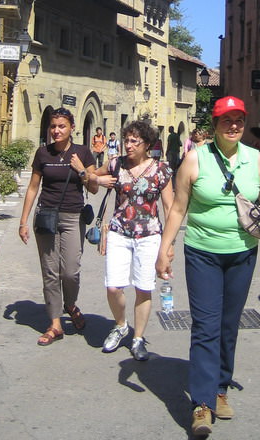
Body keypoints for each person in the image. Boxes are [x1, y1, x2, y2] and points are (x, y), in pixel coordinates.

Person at [156, 95, 260, 437]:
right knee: (206, 325)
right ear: (214, 124)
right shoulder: (194, 159)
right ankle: (201, 404)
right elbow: (177, 209)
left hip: (243, 253)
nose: (233, 125)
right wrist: (165, 247)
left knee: (229, 323)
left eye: (238, 120)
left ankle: (220, 388)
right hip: (202, 252)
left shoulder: (256, 159)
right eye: (226, 120)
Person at [19, 107, 98, 346]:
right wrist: (23, 221)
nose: (56, 131)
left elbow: (93, 187)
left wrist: (81, 170)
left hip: (73, 217)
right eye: (53, 126)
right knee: (50, 272)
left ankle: (70, 303)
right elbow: (33, 187)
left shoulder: (83, 152)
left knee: (70, 270)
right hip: (46, 216)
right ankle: (55, 323)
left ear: (72, 128)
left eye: (61, 126)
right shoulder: (43, 154)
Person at [97, 120, 173, 362]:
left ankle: (138, 338)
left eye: (133, 141)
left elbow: (170, 208)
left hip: (149, 236)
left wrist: (168, 245)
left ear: (147, 144)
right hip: (119, 231)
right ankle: (120, 326)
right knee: (113, 286)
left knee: (143, 287)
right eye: (126, 140)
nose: (128, 146)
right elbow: (90, 176)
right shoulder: (115, 164)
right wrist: (97, 180)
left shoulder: (160, 170)